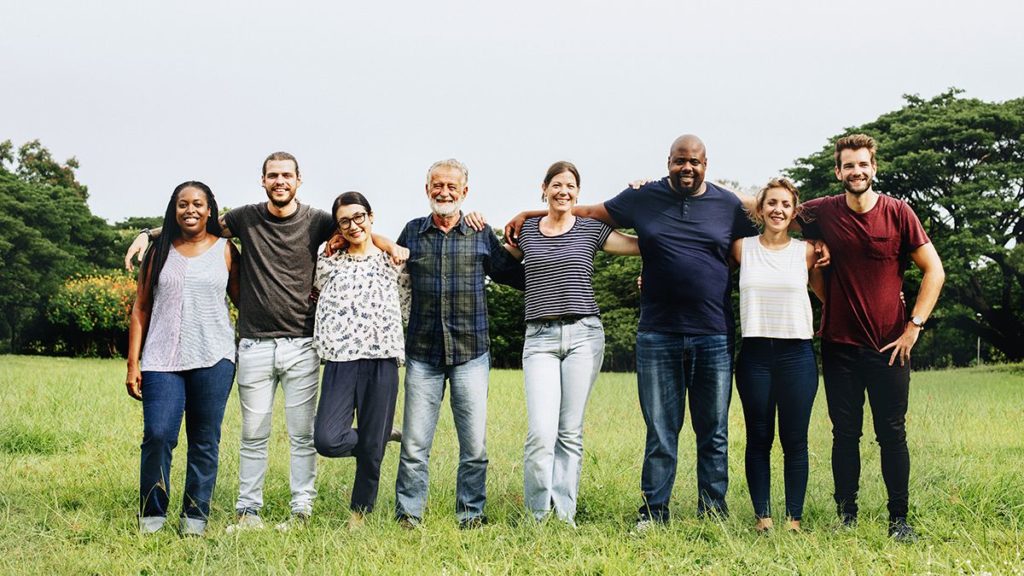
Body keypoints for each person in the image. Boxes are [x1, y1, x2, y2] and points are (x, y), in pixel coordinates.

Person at [124, 152, 407, 532]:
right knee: (253, 434)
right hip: (254, 344)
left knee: (302, 435)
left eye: (286, 175)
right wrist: (148, 233)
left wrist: (389, 246)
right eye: (273, 175)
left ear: (298, 180)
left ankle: (301, 510)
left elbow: (359, 232)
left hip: (302, 343)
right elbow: (197, 223)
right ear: (263, 181)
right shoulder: (245, 217)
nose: (280, 181)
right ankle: (247, 512)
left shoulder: (319, 221)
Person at [506, 135, 762, 529]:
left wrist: (815, 250)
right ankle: (653, 514)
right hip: (657, 332)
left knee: (713, 431)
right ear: (669, 162)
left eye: (694, 161)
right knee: (661, 431)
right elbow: (586, 211)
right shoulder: (642, 197)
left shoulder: (726, 205)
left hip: (713, 332)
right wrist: (528, 213)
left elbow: (773, 224)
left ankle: (713, 513)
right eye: (679, 161)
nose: (687, 167)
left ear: (706, 164)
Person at [796, 134, 945, 541]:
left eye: (863, 164)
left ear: (873, 168)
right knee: (844, 434)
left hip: (890, 347)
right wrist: (813, 248)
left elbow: (935, 270)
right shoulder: (822, 212)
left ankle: (899, 520)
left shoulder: (899, 213)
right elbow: (768, 209)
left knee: (892, 433)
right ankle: (847, 516)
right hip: (840, 345)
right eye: (849, 165)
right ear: (838, 171)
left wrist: (913, 327)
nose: (856, 171)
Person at [502, 161, 639, 526]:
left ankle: (564, 515)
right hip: (540, 339)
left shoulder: (592, 229)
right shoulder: (527, 231)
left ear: (578, 192)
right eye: (557, 185)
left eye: (571, 186)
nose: (564, 191)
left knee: (569, 432)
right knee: (540, 433)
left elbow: (642, 245)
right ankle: (536, 515)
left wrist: (643, 201)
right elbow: (496, 260)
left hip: (584, 336)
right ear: (544, 188)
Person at [394, 158, 525, 529]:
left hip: (471, 352)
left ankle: (471, 514)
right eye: (437, 185)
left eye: (452, 186)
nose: (444, 192)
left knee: (474, 446)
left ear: (465, 192)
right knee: (416, 444)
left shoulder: (480, 233)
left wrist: (550, 256)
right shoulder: (412, 232)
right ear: (427, 189)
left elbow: (512, 274)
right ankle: (409, 515)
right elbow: (388, 267)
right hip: (422, 352)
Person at [126, 181, 240, 537]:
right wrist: (133, 363)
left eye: (198, 204)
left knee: (205, 439)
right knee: (158, 434)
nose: (190, 210)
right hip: (162, 358)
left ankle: (195, 517)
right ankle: (152, 515)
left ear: (210, 210)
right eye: (182, 204)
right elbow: (141, 307)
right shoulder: (159, 251)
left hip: (214, 356)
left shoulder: (226, 250)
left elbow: (243, 302)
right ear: (174, 210)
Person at [730, 177, 824, 533]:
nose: (778, 210)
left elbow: (829, 297)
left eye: (785, 204)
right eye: (771, 203)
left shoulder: (808, 251)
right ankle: (763, 517)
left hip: (796, 353)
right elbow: (704, 274)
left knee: (795, 439)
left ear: (794, 210)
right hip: (754, 355)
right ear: (760, 208)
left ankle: (794, 519)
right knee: (759, 437)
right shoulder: (741, 248)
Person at [311, 191, 409, 530]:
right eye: (345, 221)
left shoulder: (393, 260)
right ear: (337, 227)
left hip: (382, 357)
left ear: (371, 216)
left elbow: (405, 303)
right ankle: (378, 436)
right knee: (326, 438)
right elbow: (317, 293)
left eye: (359, 217)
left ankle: (359, 513)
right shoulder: (328, 258)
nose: (354, 225)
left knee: (371, 451)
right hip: (340, 359)